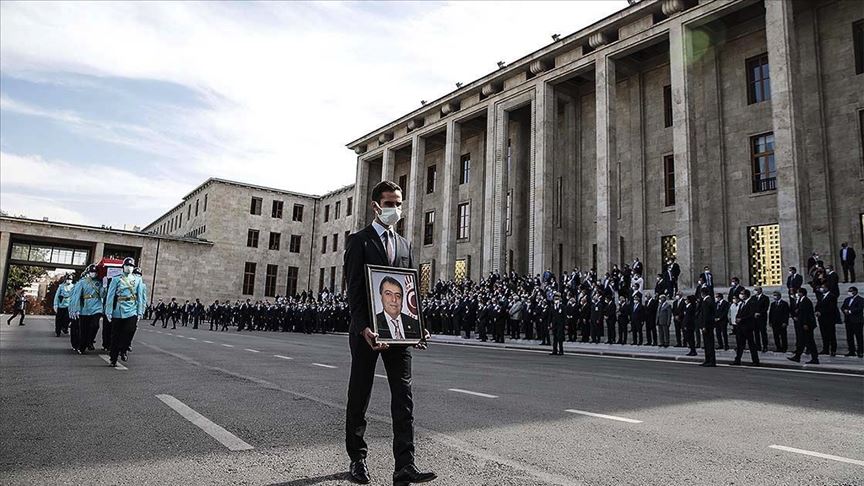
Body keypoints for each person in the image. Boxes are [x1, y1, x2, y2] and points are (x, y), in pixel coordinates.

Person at [343, 180, 435, 486]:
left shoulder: (405, 244)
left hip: (399, 334)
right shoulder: (360, 241)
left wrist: (418, 326)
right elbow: (354, 290)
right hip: (369, 333)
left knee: (403, 398)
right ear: (375, 206)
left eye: (398, 203)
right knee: (360, 395)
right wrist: (362, 327)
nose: (394, 209)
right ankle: (357, 459)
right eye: (389, 203)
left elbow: (409, 290)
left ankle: (405, 465)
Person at [104, 257, 146, 367]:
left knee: (130, 330)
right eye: (127, 265)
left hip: (132, 309)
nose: (129, 268)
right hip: (118, 309)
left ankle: (124, 348)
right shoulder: (116, 279)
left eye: (131, 266)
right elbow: (110, 295)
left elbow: (140, 297)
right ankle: (113, 358)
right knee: (115, 335)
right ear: (123, 267)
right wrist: (108, 311)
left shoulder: (138, 280)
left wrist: (140, 312)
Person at [68, 264, 104, 355]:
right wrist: (75, 309)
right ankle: (82, 347)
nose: (93, 274)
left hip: (97, 307)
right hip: (85, 308)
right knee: (83, 330)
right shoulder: (82, 282)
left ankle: (90, 341)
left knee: (95, 325)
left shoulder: (99, 282)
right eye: (92, 272)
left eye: (95, 272)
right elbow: (76, 296)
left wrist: (105, 286)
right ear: (88, 272)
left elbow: (102, 295)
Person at [788, 288, 819, 364]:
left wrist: (805, 324)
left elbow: (806, 314)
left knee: (810, 341)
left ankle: (815, 358)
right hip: (801, 323)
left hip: (806, 324)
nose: (797, 294)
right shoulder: (801, 300)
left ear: (802, 293)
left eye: (798, 292)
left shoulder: (806, 301)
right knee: (801, 342)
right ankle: (797, 356)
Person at [732, 289, 760, 366]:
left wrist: (742, 319)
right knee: (740, 344)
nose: (740, 295)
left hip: (747, 326)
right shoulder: (741, 303)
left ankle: (755, 361)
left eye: (742, 294)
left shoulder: (751, 303)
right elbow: (739, 313)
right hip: (740, 327)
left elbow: (751, 314)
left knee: (751, 344)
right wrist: (737, 319)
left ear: (746, 295)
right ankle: (737, 359)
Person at [815, 285, 839, 357]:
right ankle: (825, 349)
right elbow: (817, 305)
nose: (822, 289)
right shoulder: (821, 296)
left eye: (823, 287)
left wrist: (821, 312)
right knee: (824, 334)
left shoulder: (832, 296)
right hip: (821, 319)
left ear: (827, 288)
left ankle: (833, 350)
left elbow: (831, 308)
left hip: (829, 318)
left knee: (831, 335)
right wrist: (816, 311)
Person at [841, 286, 863, 357]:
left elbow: (859, 308)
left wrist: (850, 311)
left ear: (855, 291)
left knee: (858, 336)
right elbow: (843, 307)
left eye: (851, 291)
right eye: (849, 291)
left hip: (857, 320)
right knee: (849, 336)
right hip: (848, 320)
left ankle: (860, 351)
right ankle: (851, 350)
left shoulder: (860, 299)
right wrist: (844, 310)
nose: (850, 292)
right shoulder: (847, 299)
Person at [697, 288, 716, 367]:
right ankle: (708, 359)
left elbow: (706, 315)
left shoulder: (706, 301)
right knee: (707, 343)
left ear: (702, 293)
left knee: (709, 343)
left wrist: (704, 325)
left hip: (707, 325)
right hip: (709, 325)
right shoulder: (709, 300)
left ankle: (710, 360)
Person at [753, 287, 770, 352]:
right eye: (755, 290)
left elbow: (765, 308)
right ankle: (758, 346)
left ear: (760, 290)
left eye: (756, 290)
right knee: (756, 333)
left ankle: (765, 346)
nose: (755, 291)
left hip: (762, 318)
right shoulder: (753, 298)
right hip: (754, 318)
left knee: (763, 333)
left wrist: (759, 313)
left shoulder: (765, 298)